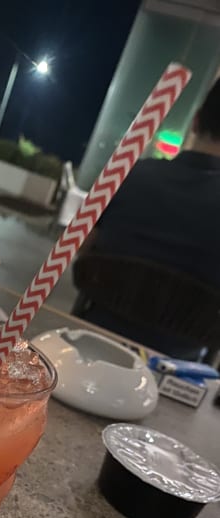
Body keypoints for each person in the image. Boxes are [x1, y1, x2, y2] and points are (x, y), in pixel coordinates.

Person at [75, 78, 220, 359]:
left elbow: (80, 245)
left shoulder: (129, 173)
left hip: (89, 345)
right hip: (179, 371)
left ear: (196, 120)